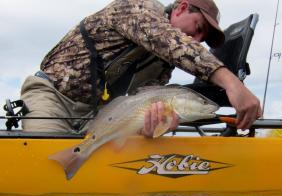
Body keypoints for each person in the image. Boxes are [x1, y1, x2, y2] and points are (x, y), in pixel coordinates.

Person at [20, 0, 262, 136]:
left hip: (99, 114)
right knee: (46, 156)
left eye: (202, 39)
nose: (196, 39)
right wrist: (233, 85)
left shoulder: (163, 65)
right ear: (180, 7)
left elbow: (143, 99)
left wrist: (152, 125)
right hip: (52, 97)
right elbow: (174, 44)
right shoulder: (138, 9)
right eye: (198, 28)